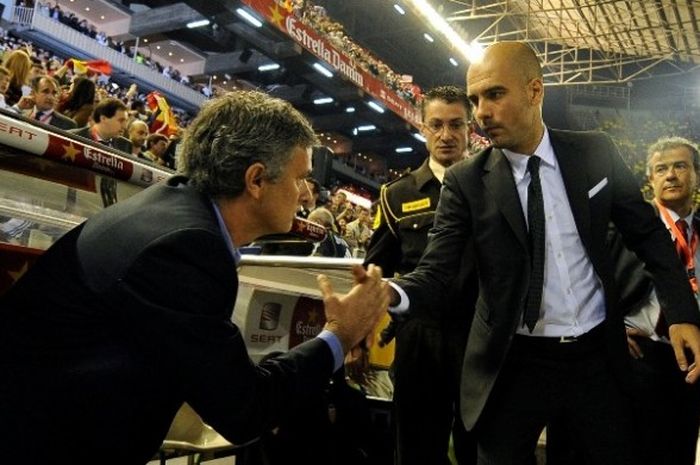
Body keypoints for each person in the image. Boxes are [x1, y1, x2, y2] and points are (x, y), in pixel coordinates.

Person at [0, 90, 389, 464]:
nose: (307, 194)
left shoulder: (178, 210)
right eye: (300, 177)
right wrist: (340, 334)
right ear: (255, 180)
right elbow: (244, 410)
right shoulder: (185, 250)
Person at [388, 41, 700, 465]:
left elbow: (648, 235)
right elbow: (437, 270)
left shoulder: (595, 152)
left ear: (535, 92)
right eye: (476, 98)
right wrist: (392, 295)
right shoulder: (467, 182)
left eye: (495, 94)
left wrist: (681, 313)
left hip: (595, 359)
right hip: (513, 362)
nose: (481, 111)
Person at [364, 85, 477, 465]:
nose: (446, 135)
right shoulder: (395, 195)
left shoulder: (495, 186)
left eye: (456, 125)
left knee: (478, 443)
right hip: (418, 337)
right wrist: (359, 334)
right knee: (415, 443)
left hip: (478, 335)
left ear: (469, 127)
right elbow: (375, 269)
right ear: (422, 127)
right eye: (437, 125)